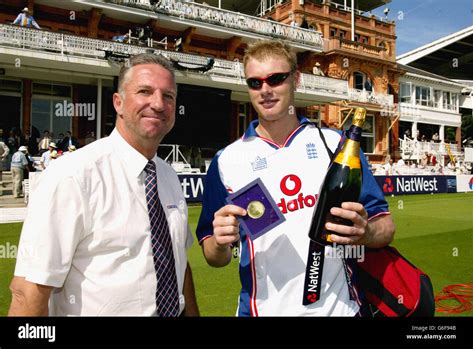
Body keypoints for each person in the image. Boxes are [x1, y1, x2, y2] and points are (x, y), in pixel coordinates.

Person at [196, 40, 395, 316]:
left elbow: (384, 225)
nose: (265, 90)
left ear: (296, 79)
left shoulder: (337, 145)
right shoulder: (227, 160)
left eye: (276, 79)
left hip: (342, 311)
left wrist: (367, 232)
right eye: (255, 83)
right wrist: (219, 242)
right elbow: (213, 256)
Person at [9, 53, 199, 316]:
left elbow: (178, 262)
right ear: (118, 103)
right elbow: (29, 291)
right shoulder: (73, 175)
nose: (158, 104)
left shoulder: (168, 177)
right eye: (145, 91)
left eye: (168, 96)